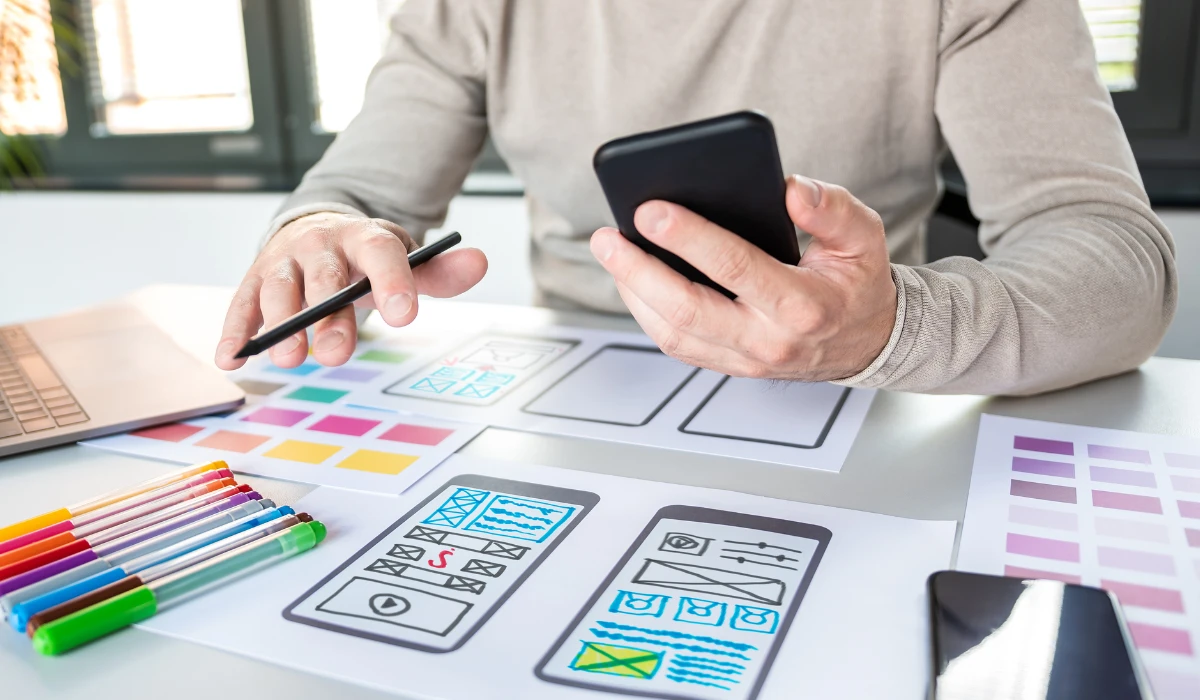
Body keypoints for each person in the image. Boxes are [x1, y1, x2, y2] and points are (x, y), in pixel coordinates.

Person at [214, 0, 1176, 396]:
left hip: (870, 399)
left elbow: (1115, 261)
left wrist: (891, 331)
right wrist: (321, 230)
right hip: (575, 401)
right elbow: (357, 189)